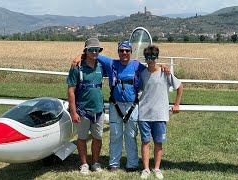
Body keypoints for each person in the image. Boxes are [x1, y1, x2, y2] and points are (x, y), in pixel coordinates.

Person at [72, 41, 169, 172]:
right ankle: (114, 164)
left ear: (131, 52)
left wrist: (163, 67)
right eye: (121, 50)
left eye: (127, 51)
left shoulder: (137, 66)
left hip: (132, 106)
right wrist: (79, 56)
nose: (124, 53)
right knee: (115, 135)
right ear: (118, 52)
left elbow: (152, 68)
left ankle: (132, 164)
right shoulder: (111, 64)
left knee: (131, 135)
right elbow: (92, 54)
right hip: (115, 105)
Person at [138, 45, 183, 179]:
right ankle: (146, 169)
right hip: (144, 114)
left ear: (157, 58)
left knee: (158, 142)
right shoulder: (142, 74)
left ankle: (157, 168)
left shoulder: (165, 73)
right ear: (145, 59)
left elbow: (179, 86)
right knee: (145, 142)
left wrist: (176, 104)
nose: (150, 60)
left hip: (160, 114)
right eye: (148, 58)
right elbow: (139, 90)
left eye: (153, 57)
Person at [67, 38, 106, 174]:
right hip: (82, 110)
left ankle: (95, 162)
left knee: (97, 138)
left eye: (97, 49)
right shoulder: (76, 68)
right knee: (82, 138)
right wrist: (73, 112)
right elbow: (71, 90)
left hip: (99, 110)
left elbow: (121, 64)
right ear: (85, 51)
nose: (95, 52)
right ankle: (84, 164)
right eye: (91, 49)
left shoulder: (101, 66)